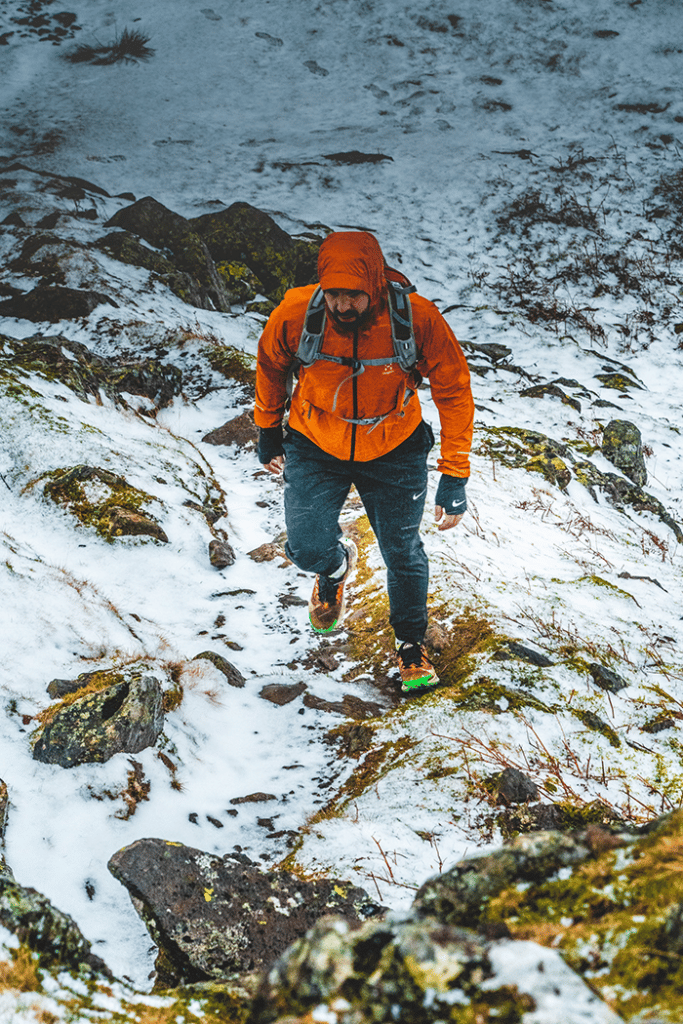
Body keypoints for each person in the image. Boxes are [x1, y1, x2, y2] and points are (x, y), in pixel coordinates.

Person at [254, 231, 474, 692]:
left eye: (353, 295)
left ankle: (411, 646)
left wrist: (455, 472)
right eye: (333, 294)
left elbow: (453, 389)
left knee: (402, 552)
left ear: (374, 284)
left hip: (394, 446)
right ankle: (334, 568)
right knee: (306, 545)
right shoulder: (297, 313)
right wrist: (267, 428)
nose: (342, 306)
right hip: (317, 442)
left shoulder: (417, 319)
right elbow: (272, 365)